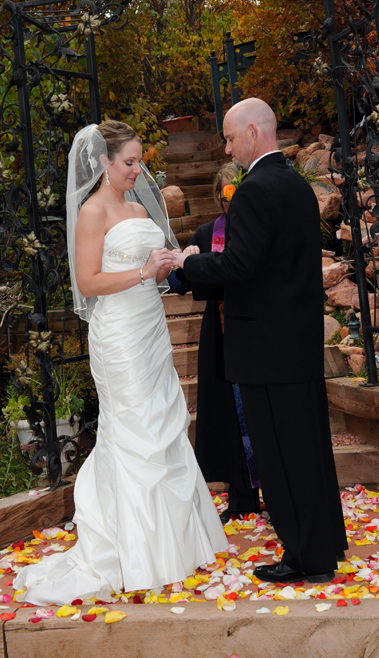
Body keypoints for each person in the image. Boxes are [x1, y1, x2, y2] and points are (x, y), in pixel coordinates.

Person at [13, 121, 226, 606]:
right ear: (103, 162)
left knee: (163, 422)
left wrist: (174, 261)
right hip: (119, 337)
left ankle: (175, 543)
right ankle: (134, 548)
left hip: (149, 327)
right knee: (134, 429)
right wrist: (143, 270)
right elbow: (88, 283)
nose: (137, 170)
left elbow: (149, 271)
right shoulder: (91, 212)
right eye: (128, 162)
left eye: (138, 161)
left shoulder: (135, 206)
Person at [172, 98, 348, 585]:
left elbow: (237, 267)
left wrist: (187, 263)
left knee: (282, 457)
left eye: (230, 137)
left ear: (253, 132)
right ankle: (325, 542)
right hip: (297, 342)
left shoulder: (254, 190)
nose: (227, 146)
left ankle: (304, 559)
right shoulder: (293, 185)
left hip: (267, 351)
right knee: (308, 449)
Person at [169, 162, 260, 522]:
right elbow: (180, 284)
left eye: (236, 191)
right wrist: (184, 263)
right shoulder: (208, 233)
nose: (230, 200)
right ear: (216, 195)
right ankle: (241, 498)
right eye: (225, 193)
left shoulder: (257, 230)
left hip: (256, 332)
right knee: (229, 415)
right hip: (220, 335)